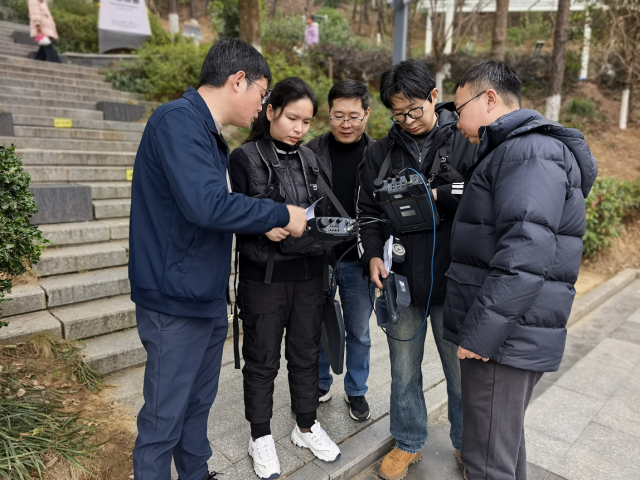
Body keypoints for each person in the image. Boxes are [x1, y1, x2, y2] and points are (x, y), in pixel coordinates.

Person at [128, 39, 307, 480]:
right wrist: (280, 213)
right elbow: (206, 205)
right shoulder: (177, 121)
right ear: (238, 80)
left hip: (204, 295)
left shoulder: (208, 135)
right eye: (263, 93)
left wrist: (258, 222)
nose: (263, 105)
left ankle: (195, 473)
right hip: (173, 299)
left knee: (197, 406)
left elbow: (213, 208)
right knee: (162, 421)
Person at [444, 60, 597, 479]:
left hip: (503, 339)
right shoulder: (518, 150)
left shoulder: (527, 152)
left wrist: (482, 334)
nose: (457, 122)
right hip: (512, 333)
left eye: (459, 109)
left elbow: (524, 255)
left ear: (490, 98)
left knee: (486, 461)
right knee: (503, 452)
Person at [358, 59, 477, 480]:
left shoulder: (467, 139)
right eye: (398, 114)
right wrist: (372, 255)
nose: (408, 121)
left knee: (460, 373)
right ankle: (408, 441)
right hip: (402, 281)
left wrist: (435, 193)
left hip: (455, 279)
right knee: (403, 370)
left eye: (415, 110)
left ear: (433, 96)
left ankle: (468, 444)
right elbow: (368, 214)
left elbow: (482, 195)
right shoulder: (380, 153)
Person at [229, 77, 341, 480]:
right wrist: (263, 224)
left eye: (307, 122)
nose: (299, 128)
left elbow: (323, 209)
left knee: (306, 354)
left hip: (309, 274)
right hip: (264, 277)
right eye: (292, 118)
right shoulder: (244, 158)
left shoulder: (311, 158)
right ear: (271, 111)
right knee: (262, 360)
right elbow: (230, 214)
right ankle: (260, 436)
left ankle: (305, 426)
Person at [306, 79, 375, 421]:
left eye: (353, 116)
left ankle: (356, 390)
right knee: (318, 325)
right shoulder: (311, 151)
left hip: (359, 259)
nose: (345, 124)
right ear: (328, 115)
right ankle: (320, 383)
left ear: (366, 114)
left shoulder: (379, 154)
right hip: (320, 256)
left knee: (358, 330)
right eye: (338, 116)